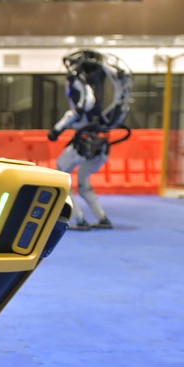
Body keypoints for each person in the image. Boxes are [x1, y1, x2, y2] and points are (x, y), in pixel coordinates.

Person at [48, 50, 132, 231]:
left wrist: (57, 129)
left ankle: (78, 219)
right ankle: (101, 217)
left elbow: (79, 109)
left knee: (61, 176)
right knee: (83, 181)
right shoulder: (99, 88)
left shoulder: (80, 85)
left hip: (83, 144)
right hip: (101, 145)